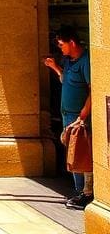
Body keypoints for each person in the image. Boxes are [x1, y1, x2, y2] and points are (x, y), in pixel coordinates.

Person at [44, 26, 93, 209]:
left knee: (82, 153)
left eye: (62, 44)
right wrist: (55, 67)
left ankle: (86, 193)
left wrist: (84, 113)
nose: (60, 48)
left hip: (80, 117)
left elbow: (92, 89)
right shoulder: (69, 61)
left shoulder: (85, 61)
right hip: (67, 115)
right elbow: (67, 80)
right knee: (72, 153)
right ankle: (79, 190)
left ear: (71, 42)